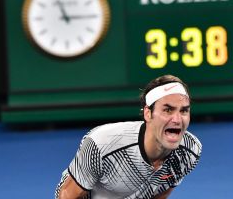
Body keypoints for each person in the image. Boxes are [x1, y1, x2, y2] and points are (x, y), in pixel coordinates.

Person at [55, 74, 202, 199]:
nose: (177, 119)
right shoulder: (103, 143)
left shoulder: (189, 151)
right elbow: (67, 195)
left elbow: (160, 193)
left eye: (184, 111)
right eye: (168, 110)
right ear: (148, 113)